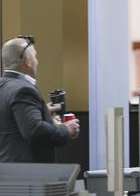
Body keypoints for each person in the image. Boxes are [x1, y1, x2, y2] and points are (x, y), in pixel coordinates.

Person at [0, 35, 80, 163]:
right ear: (28, 61)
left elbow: (10, 120)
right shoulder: (24, 90)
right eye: (35, 56)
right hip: (28, 174)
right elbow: (34, 130)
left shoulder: (4, 87)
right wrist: (66, 129)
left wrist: (43, 112)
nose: (37, 61)